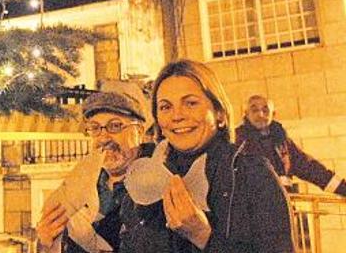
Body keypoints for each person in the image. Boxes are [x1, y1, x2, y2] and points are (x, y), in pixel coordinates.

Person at [119, 59, 293, 252]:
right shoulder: (145, 178)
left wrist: (203, 236)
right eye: (165, 107)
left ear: (218, 112)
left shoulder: (252, 174)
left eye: (191, 103)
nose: (177, 116)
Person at [36, 80, 154, 253]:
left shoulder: (159, 181)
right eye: (95, 128)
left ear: (140, 132)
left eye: (115, 126)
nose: (104, 137)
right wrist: (47, 244)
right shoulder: (81, 186)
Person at [236, 94, 346, 196]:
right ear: (246, 114)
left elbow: (312, 169)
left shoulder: (283, 143)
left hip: (284, 207)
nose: (260, 115)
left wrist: (343, 189)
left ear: (273, 114)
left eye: (265, 110)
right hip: (251, 211)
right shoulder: (236, 142)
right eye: (254, 110)